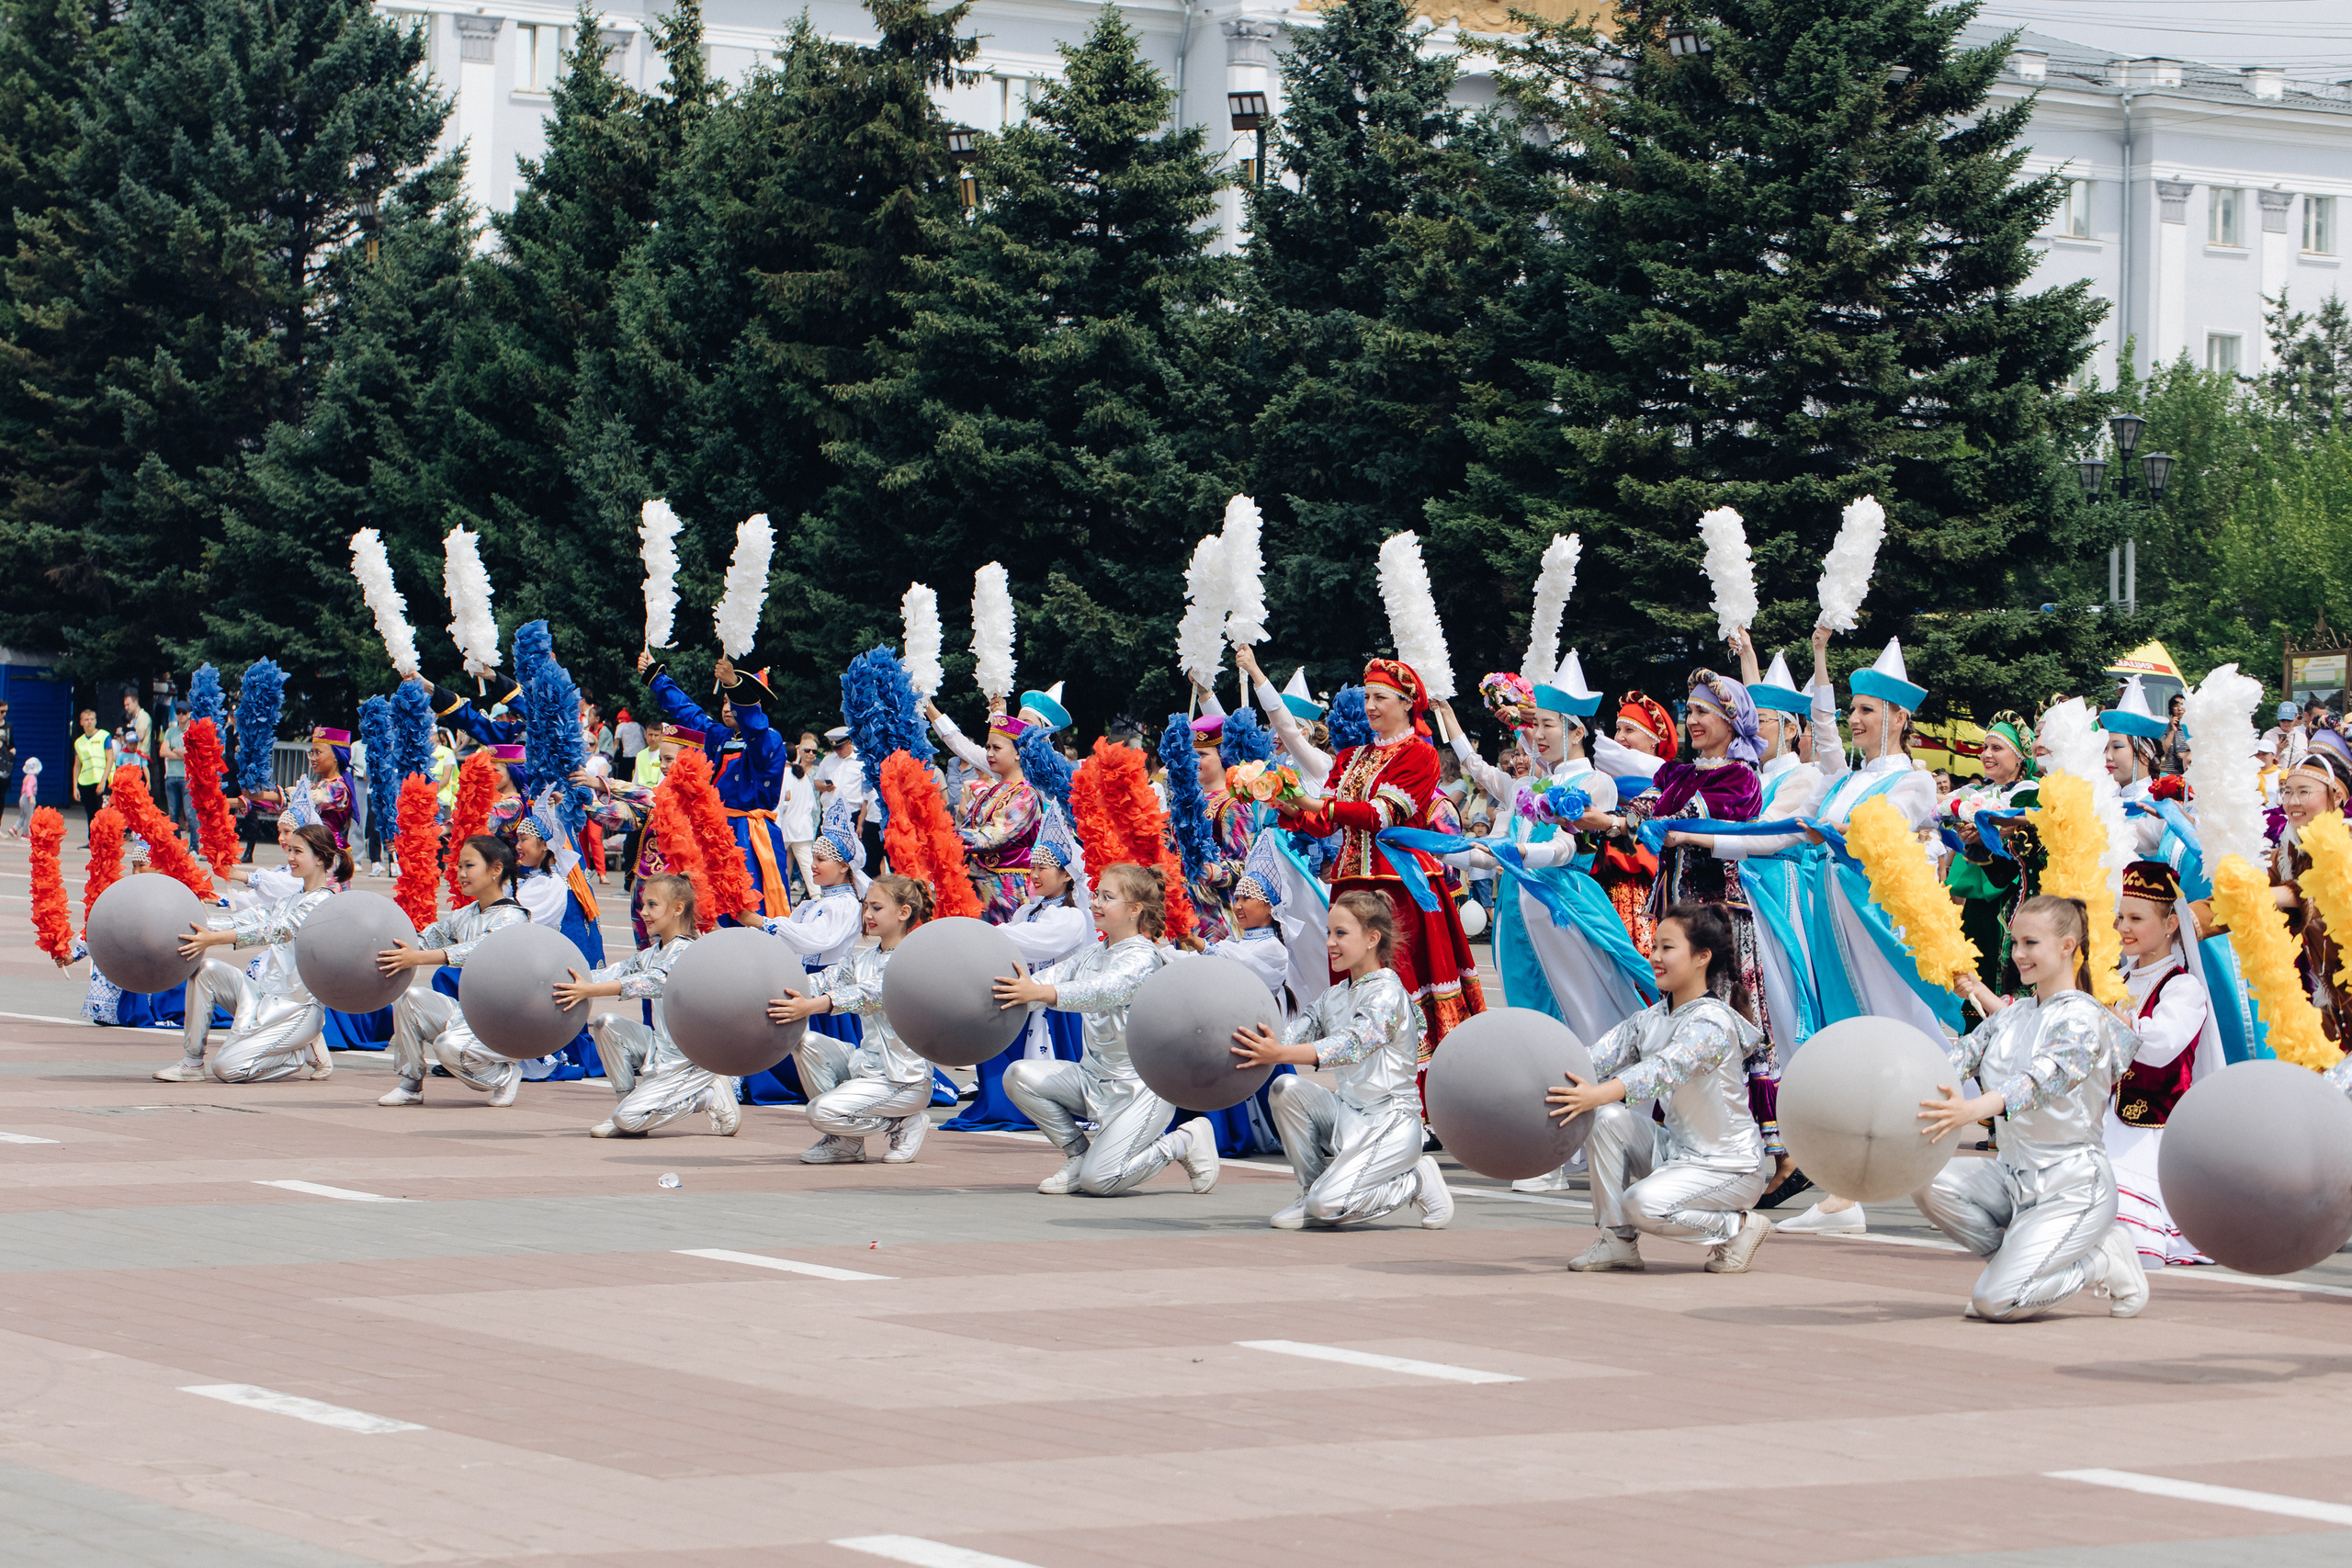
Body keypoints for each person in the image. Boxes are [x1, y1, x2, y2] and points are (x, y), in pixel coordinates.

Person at [1924, 896, 2147, 1321]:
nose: (2018, 955)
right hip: (2011, 1176)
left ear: (2067, 945)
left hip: (2073, 1185)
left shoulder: (2084, 1019)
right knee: (1923, 1179)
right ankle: (2016, 1269)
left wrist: (1971, 1111)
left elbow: (2042, 1081)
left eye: (2031, 943)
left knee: (1995, 1303)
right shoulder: (2011, 1016)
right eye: (2015, 943)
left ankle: (2103, 1259)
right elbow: (1952, 1061)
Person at [1271, 658, 1486, 1071]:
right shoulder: (1351, 756)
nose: (1369, 705)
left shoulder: (1421, 755)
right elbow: (1322, 822)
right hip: (1350, 888)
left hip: (1399, 890)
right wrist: (1287, 804)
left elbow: (1380, 815)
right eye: (1367, 696)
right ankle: (1362, 1081)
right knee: (1355, 987)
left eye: (1380, 697)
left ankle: (1420, 1093)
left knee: (1402, 985)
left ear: (1407, 703)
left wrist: (1313, 802)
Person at [1550, 903, 1774, 1274]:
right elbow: (1590, 1060)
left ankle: (1737, 1228)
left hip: (1730, 1167)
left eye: (1667, 948)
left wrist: (1598, 1092)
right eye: (1654, 947)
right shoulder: (1651, 1018)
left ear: (1702, 957)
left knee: (1641, 1204)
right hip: (1678, 1154)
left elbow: (1663, 1070)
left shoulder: (1713, 1024)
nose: (1654, 956)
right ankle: (1616, 1242)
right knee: (1604, 1118)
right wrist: (1532, 1076)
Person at [996, 863, 1220, 1197]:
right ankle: (1078, 1155)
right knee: (1018, 1075)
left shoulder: (1143, 959)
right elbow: (1040, 984)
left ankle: (1184, 1141)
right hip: (1093, 1081)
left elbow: (1101, 991)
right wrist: (999, 995)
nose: (1096, 902)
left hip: (1141, 1090)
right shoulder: (1090, 954)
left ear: (1134, 910)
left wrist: (1040, 994)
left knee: (1100, 1181)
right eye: (1097, 894)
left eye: (1107, 897)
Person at [1232, 890, 1452, 1230]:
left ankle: (1416, 1181)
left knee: (1328, 1206)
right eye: (1328, 933)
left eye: (1341, 933)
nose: (1330, 943)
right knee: (1285, 1087)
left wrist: (1278, 1053)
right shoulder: (1334, 996)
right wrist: (1250, 1045)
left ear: (1372, 939)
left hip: (1390, 1124)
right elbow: (1291, 1035)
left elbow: (1350, 1045)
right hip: (1348, 1117)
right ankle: (1310, 1191)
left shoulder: (1388, 994)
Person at [153, 823, 347, 1085]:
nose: (289, 857)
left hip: (297, 1008)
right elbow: (246, 919)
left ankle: (298, 1053)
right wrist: (191, 926)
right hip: (265, 998)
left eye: (298, 851)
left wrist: (214, 939)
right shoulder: (289, 900)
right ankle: (192, 1063)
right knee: (206, 970)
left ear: (321, 858)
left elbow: (275, 930)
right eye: (289, 850)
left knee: (227, 1069)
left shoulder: (324, 903)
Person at [769, 874, 941, 1165]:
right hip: (867, 1067)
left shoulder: (912, 961)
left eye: (876, 908)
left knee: (819, 1113)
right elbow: (827, 979)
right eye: (866, 907)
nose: (867, 915)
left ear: (903, 913)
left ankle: (903, 1123)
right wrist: (772, 987)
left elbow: (866, 994)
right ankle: (846, 1142)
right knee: (805, 1042)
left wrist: (809, 1007)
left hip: (903, 1079)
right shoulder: (861, 959)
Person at [2106, 859, 2224, 1266]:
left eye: (2136, 918)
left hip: (2149, 1130)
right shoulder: (2116, 980)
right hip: (2101, 1119)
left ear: (2172, 924)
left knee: (2134, 1232)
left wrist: (2121, 1021)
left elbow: (2161, 1047)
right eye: (2120, 917)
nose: (2123, 927)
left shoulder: (2183, 987)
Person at [560, 874, 740, 1139]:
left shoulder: (688, 952)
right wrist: (561, 980)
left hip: (689, 1060)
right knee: (606, 1024)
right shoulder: (652, 953)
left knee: (628, 1119)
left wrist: (590, 990)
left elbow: (650, 983)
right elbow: (611, 973)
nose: (643, 913)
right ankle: (625, 1106)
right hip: (660, 1049)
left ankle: (708, 1094)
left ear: (678, 908)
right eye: (643, 905)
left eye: (652, 905)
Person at [943, 816, 1091, 1133]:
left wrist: (992, 933)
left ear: (1066, 875)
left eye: (1042, 868)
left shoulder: (1072, 917)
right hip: (1023, 995)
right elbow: (1016, 940)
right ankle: (1003, 1102)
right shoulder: (1027, 911)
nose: (1033, 875)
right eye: (1032, 867)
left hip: (1052, 1004)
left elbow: (1039, 943)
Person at [373, 835, 533, 1108]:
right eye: (459, 866)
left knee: (446, 1046)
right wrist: (383, 947)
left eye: (469, 866)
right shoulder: (464, 914)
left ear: (496, 869)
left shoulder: (514, 917)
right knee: (409, 997)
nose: (460, 874)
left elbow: (478, 950)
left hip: (503, 1020)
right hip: (470, 1012)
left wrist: (417, 958)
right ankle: (410, 1084)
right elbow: (424, 939)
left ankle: (504, 1075)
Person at [637, 649, 792, 920]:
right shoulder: (720, 736)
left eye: (734, 701)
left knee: (748, 907)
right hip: (715, 830)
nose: (728, 707)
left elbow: (755, 729)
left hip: (750, 835)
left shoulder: (768, 739)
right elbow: (689, 713)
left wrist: (733, 684)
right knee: (710, 904)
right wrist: (656, 677)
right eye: (724, 700)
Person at [923, 695, 1042, 922]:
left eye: (996, 748)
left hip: (1007, 889)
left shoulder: (1025, 794)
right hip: (976, 885)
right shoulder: (991, 791)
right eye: (987, 747)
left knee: (1003, 949)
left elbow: (992, 837)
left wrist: (942, 834)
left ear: (1018, 753)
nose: (988, 754)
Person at [1947, 711, 2042, 993]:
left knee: (2001, 979)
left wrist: (1988, 837)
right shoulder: (1977, 794)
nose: (1986, 754)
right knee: (1972, 976)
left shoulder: (2030, 795)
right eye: (1985, 748)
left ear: (2019, 757)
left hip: (2010, 901)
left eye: (1996, 748)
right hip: (1978, 903)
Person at [778, 733, 820, 903]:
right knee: (807, 865)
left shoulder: (783, 776)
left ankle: (781, 897)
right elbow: (813, 805)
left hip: (785, 827)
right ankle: (817, 897)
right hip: (803, 828)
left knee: (778, 864)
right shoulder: (801, 774)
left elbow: (782, 804)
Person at [73, 708, 107, 840]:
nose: (89, 722)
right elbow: (77, 765)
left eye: (92, 719)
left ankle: (103, 840)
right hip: (86, 781)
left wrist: (104, 780)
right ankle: (92, 839)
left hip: (100, 780)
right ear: (81, 722)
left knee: (102, 812)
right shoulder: (79, 742)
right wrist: (75, 786)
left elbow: (110, 759)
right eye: (86, 720)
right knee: (90, 813)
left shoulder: (104, 736)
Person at [10, 756, 39, 837]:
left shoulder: (27, 777)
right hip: (27, 798)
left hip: (23, 797)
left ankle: (14, 828)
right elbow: (29, 788)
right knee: (29, 816)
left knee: (23, 816)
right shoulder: (33, 778)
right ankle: (25, 833)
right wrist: (31, 797)